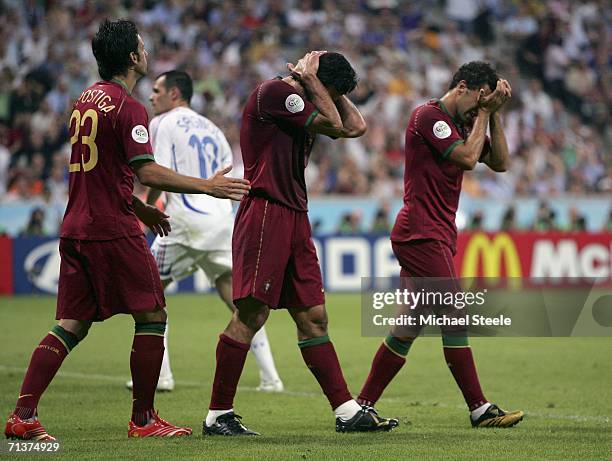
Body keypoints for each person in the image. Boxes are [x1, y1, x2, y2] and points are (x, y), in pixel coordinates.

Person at [4, 19, 250, 441]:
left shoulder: (85, 99)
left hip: (77, 224)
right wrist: (207, 186)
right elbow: (145, 168)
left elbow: (103, 171)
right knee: (153, 313)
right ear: (134, 57)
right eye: (143, 46)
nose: (147, 51)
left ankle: (23, 415)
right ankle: (144, 420)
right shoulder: (128, 106)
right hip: (111, 228)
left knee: (72, 322)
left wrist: (140, 205)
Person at [203, 51, 399, 436]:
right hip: (265, 212)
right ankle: (217, 415)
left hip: (294, 215)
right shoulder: (276, 93)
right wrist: (311, 82)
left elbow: (354, 126)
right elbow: (332, 122)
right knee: (252, 314)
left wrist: (326, 87)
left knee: (313, 316)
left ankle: (346, 412)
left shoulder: (308, 97)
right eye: (331, 90)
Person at [356, 61, 524, 428]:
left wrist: (492, 115)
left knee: (409, 325)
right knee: (456, 314)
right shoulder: (429, 117)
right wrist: (484, 114)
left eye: (486, 102)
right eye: (479, 99)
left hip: (438, 233)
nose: (480, 107)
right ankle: (479, 408)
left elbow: (501, 163)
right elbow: (466, 159)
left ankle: (361, 408)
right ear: (462, 87)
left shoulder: (466, 121)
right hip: (420, 233)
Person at [125, 70, 283, 393]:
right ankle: (271, 378)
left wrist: (150, 206)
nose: (151, 96)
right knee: (243, 305)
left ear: (175, 94)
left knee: (149, 294)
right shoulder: (213, 129)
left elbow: (157, 174)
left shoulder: (161, 123)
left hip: (182, 223)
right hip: (220, 224)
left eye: (156, 90)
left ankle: (161, 377)